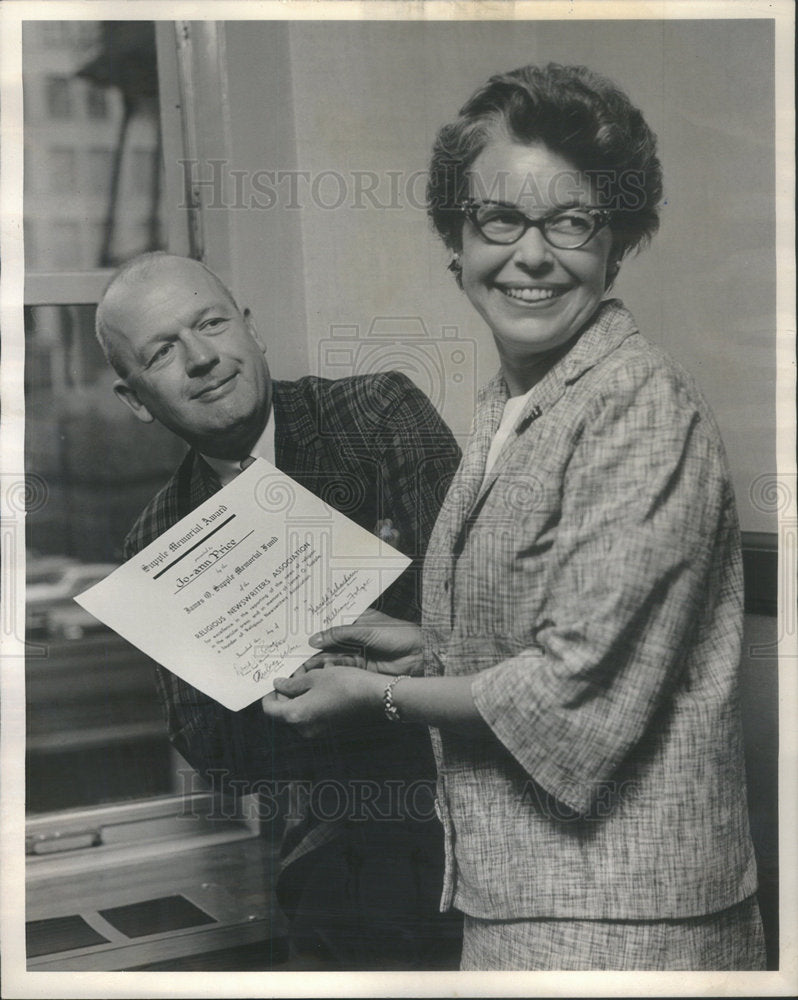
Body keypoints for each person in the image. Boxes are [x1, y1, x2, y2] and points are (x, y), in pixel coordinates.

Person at [262, 64, 767, 970]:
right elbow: (556, 635)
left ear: (616, 245)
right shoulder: (514, 404)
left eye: (571, 221)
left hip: (621, 923)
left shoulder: (641, 400)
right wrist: (422, 646)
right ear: (456, 244)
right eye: (499, 218)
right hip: (525, 899)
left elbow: (577, 689)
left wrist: (378, 697)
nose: (532, 255)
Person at [94, 252, 463, 969]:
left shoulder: (377, 414)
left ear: (251, 329)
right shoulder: (157, 539)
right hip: (340, 879)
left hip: (479, 834)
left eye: (211, 323)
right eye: (162, 351)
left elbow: (482, 627)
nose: (201, 358)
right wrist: (360, 667)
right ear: (136, 399)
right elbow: (218, 752)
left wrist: (308, 678)